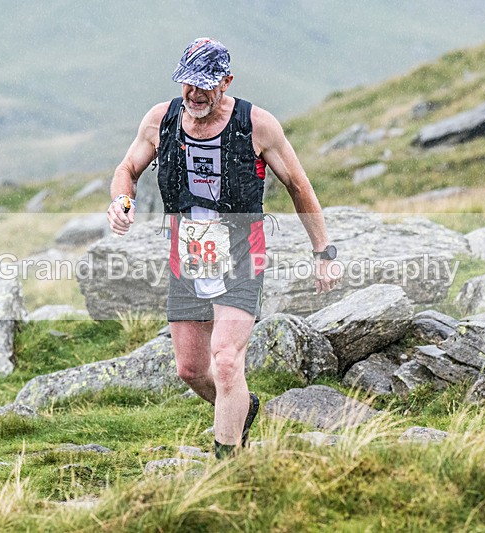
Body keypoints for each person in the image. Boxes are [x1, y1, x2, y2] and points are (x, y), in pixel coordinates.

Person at [107, 37, 340, 458]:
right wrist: (122, 201)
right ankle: (239, 407)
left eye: (205, 85)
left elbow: (298, 185)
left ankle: (227, 467)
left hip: (242, 254)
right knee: (191, 370)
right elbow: (127, 168)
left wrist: (323, 252)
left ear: (226, 82)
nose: (195, 93)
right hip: (187, 256)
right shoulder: (160, 120)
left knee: (228, 361)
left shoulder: (258, 125)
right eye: (188, 83)